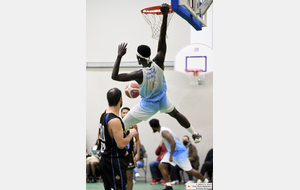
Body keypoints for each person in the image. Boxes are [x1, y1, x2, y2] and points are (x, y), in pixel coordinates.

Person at [111, 3, 202, 143]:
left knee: (121, 124)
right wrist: (165, 16)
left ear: (138, 58)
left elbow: (115, 76)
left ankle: (101, 148)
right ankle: (194, 134)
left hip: (147, 106)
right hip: (162, 99)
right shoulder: (159, 61)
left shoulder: (139, 74)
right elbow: (162, 38)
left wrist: (119, 56)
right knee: (176, 114)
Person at [149, 119, 208, 190]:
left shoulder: (164, 132)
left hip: (179, 152)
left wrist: (170, 156)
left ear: (152, 127)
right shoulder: (163, 129)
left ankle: (205, 181)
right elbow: (170, 144)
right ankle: (168, 186)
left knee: (189, 170)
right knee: (162, 166)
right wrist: (166, 154)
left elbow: (173, 142)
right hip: (173, 151)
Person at [98, 88, 138, 190]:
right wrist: (131, 134)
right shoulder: (115, 120)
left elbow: (101, 138)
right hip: (113, 162)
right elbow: (121, 144)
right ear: (120, 99)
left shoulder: (103, 114)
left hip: (105, 159)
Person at [120, 106, 140, 190]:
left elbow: (138, 140)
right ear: (121, 114)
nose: (125, 114)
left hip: (129, 154)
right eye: (123, 112)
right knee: (120, 175)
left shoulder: (134, 125)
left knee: (129, 175)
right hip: (120, 153)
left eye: (127, 113)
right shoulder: (117, 124)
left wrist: (138, 153)